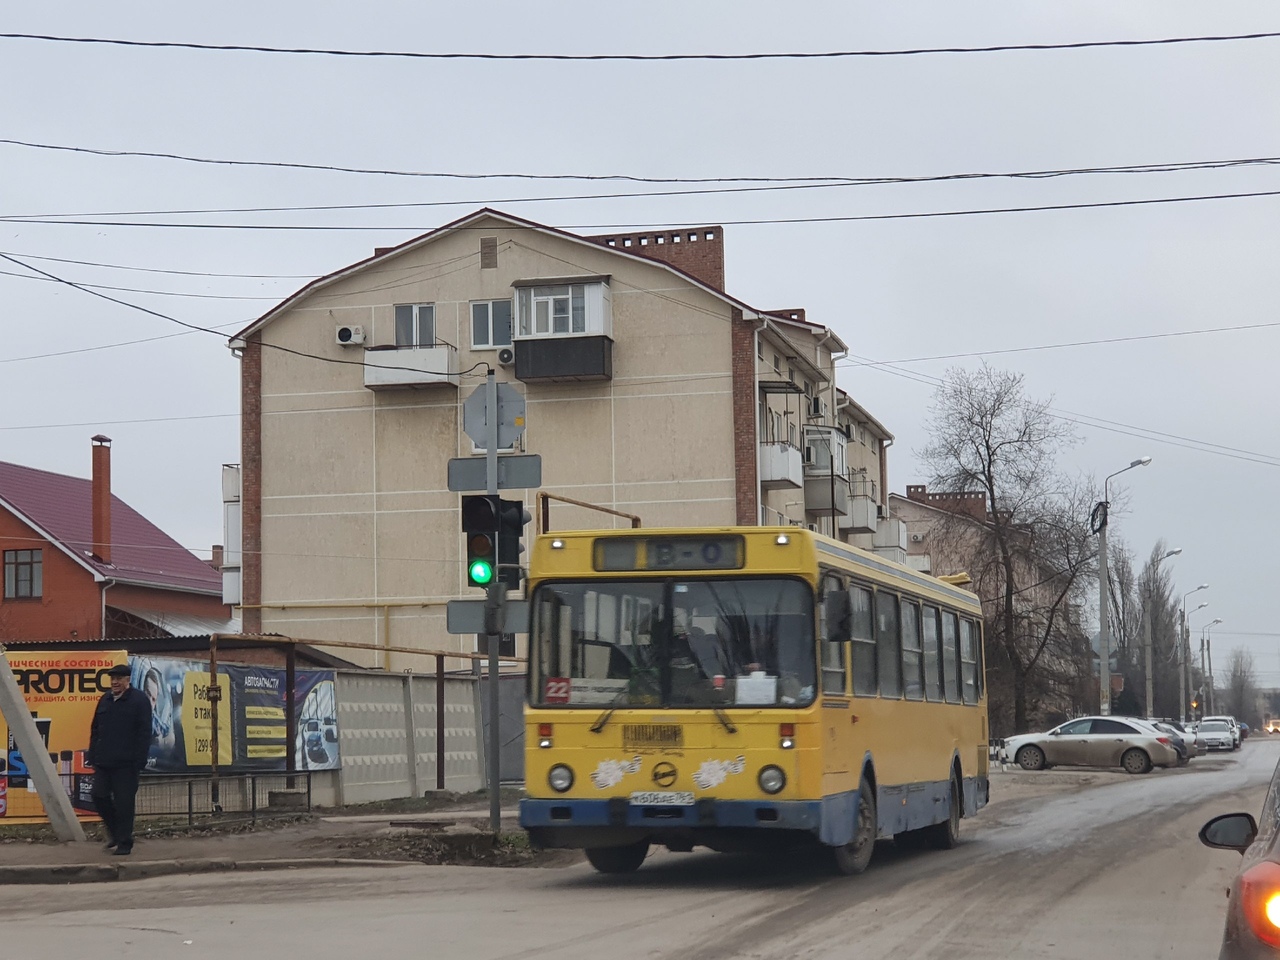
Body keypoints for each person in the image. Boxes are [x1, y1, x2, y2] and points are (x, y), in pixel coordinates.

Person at [87, 663, 152, 855]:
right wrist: (93, 754)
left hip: (127, 764)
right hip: (104, 761)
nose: (115, 682)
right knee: (98, 796)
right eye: (112, 679)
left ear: (127, 680)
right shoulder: (105, 699)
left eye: (118, 679)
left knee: (124, 805)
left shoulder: (139, 700)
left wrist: (139, 760)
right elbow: (95, 729)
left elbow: (144, 732)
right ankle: (116, 832)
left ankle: (124, 843)